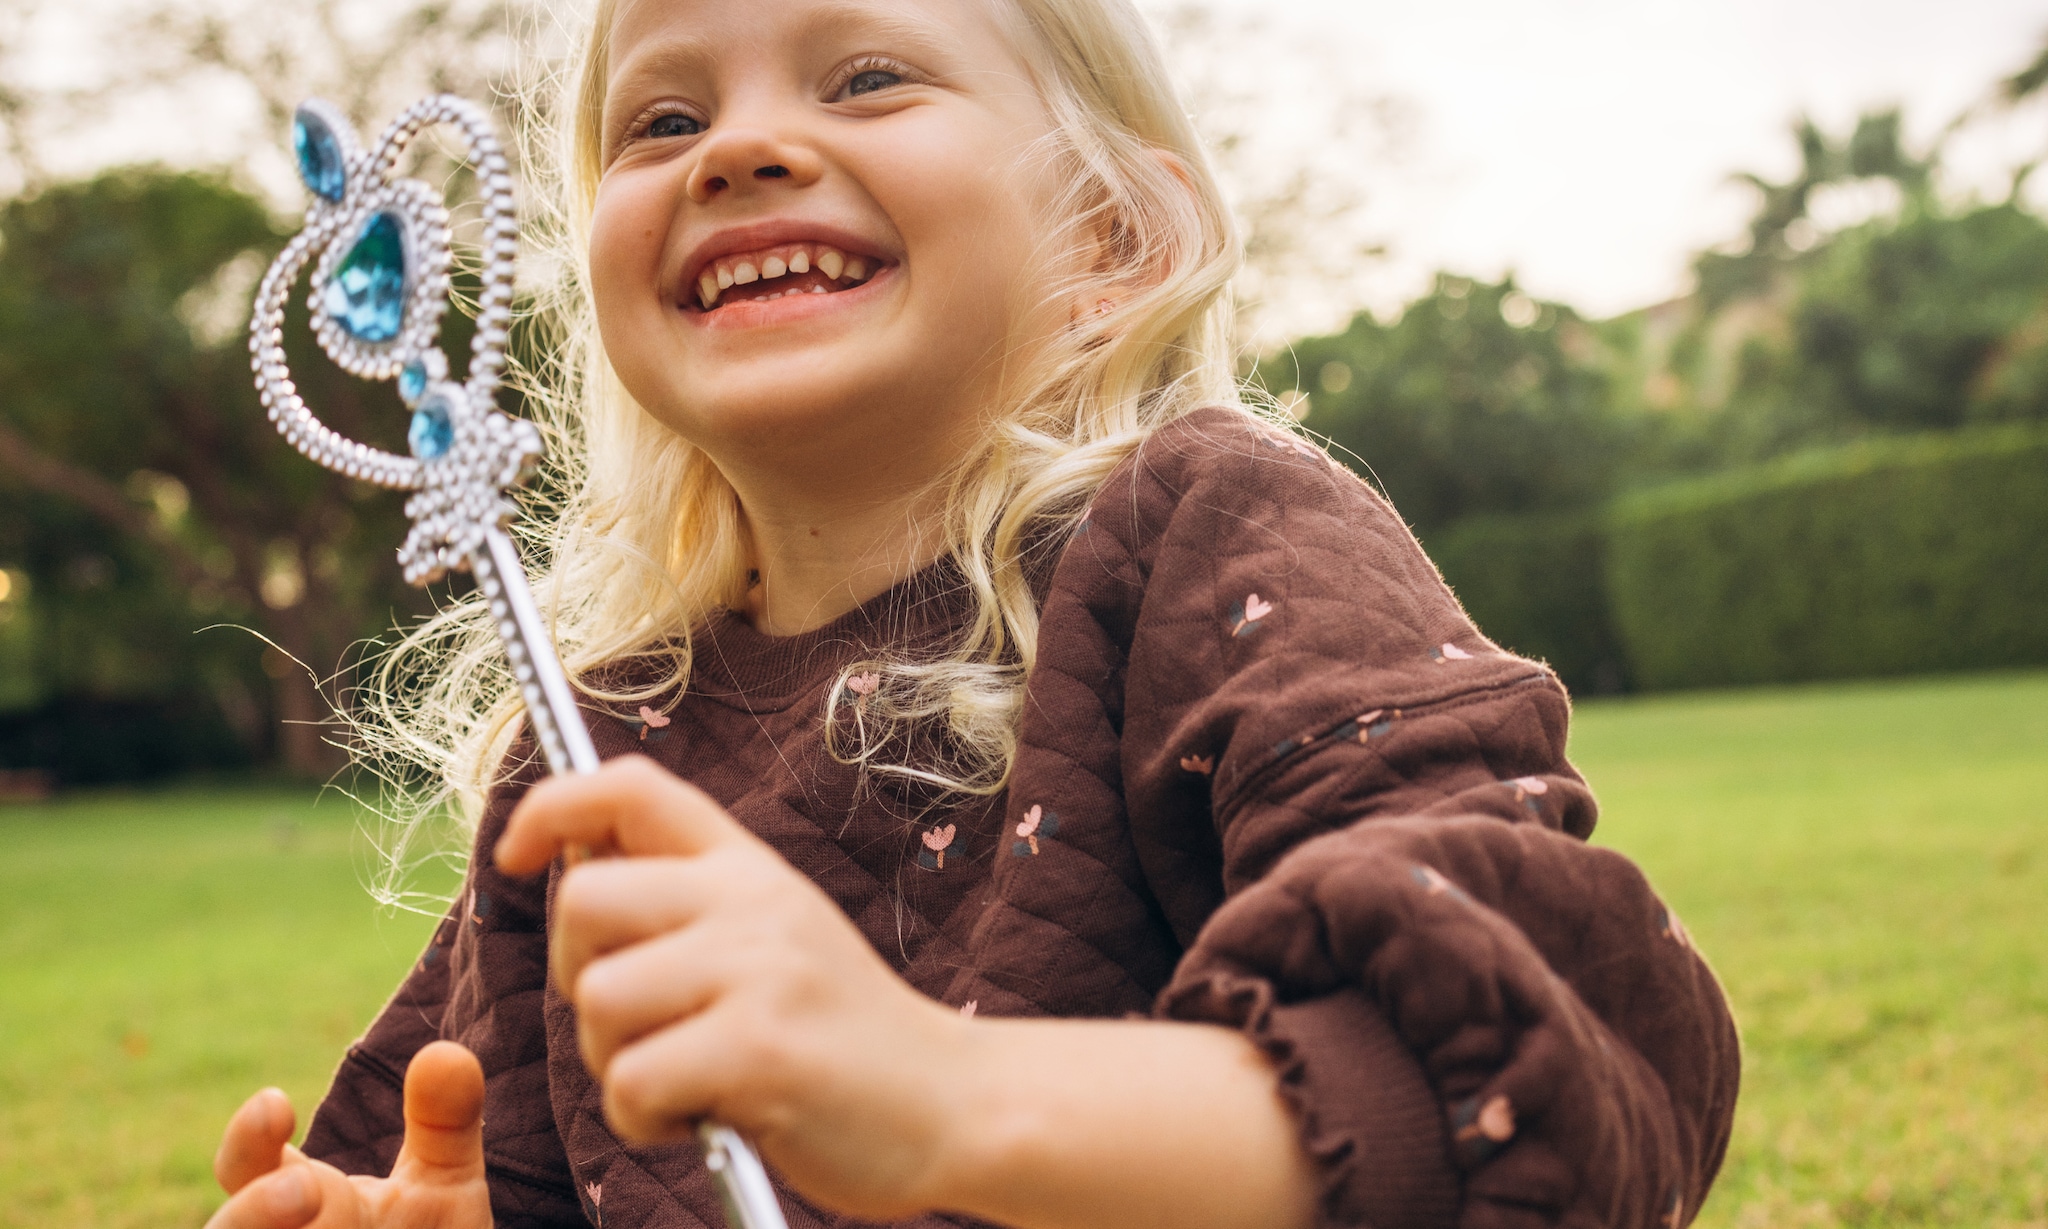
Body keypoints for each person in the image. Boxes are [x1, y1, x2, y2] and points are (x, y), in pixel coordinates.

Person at [205, 0, 1740, 1225]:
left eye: (867, 77)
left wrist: (941, 1095)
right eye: (662, 120)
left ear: (1113, 236)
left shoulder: (1213, 533)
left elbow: (1554, 1057)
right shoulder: (589, 748)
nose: (735, 149)